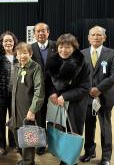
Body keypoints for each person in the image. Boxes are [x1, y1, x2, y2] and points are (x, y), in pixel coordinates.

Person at [46, 33, 91, 165]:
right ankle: (61, 155)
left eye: (67, 47)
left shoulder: (83, 63)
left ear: (74, 48)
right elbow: (48, 82)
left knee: (73, 133)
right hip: (57, 105)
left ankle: (70, 161)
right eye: (61, 47)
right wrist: (53, 93)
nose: (63, 50)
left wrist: (65, 96)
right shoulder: (52, 61)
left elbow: (85, 88)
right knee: (59, 131)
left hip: (75, 104)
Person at [80, 26, 114, 165]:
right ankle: (89, 152)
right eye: (93, 35)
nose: (96, 37)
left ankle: (106, 157)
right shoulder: (82, 54)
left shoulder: (113, 54)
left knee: (105, 128)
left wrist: (98, 89)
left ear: (104, 37)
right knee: (89, 126)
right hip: (87, 97)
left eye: (99, 35)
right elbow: (79, 75)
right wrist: (88, 89)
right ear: (88, 37)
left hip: (105, 97)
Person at [10, 42, 45, 165]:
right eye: (19, 54)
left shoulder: (35, 68)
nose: (22, 56)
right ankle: (24, 158)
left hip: (28, 108)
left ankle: (29, 161)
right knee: (17, 133)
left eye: (25, 53)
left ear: (30, 54)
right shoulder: (16, 67)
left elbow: (39, 91)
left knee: (29, 135)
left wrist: (33, 110)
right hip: (15, 108)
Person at [31, 22, 56, 155]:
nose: (41, 33)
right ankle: (41, 143)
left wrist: (55, 90)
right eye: (38, 31)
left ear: (48, 32)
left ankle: (53, 143)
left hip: (54, 91)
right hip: (37, 90)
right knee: (39, 117)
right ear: (34, 34)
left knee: (54, 118)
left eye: (43, 31)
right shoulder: (30, 48)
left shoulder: (57, 46)